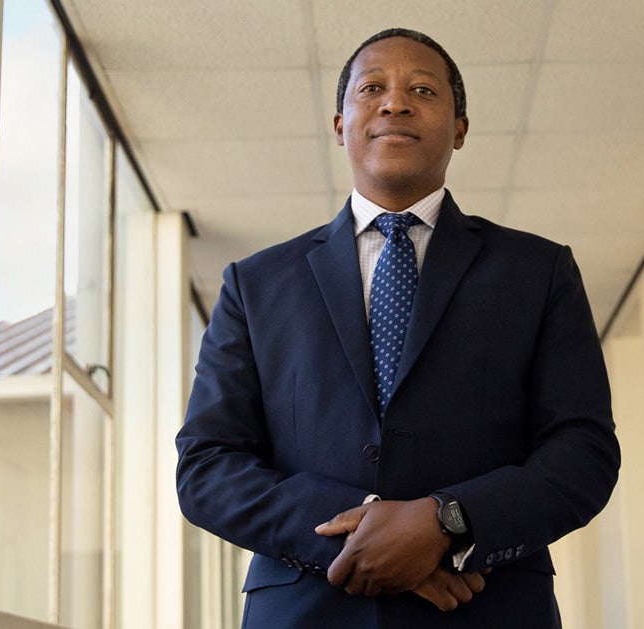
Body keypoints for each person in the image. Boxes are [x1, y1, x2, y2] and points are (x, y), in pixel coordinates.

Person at [176, 27, 620, 629]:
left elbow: (582, 453)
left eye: (422, 90)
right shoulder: (256, 286)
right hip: (307, 609)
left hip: (486, 606)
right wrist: (363, 531)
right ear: (341, 125)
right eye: (373, 89)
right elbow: (207, 464)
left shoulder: (537, 272)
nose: (395, 102)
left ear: (459, 129)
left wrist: (446, 522)